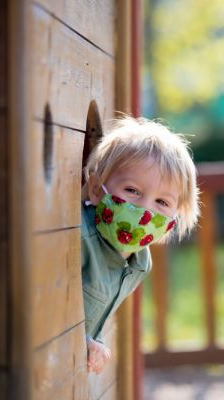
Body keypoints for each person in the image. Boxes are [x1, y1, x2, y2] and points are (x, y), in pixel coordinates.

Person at [80, 116, 200, 374]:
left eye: (162, 203)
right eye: (132, 190)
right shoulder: (77, 238)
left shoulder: (140, 262)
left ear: (173, 220)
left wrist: (93, 340)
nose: (144, 209)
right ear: (97, 191)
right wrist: (80, 342)